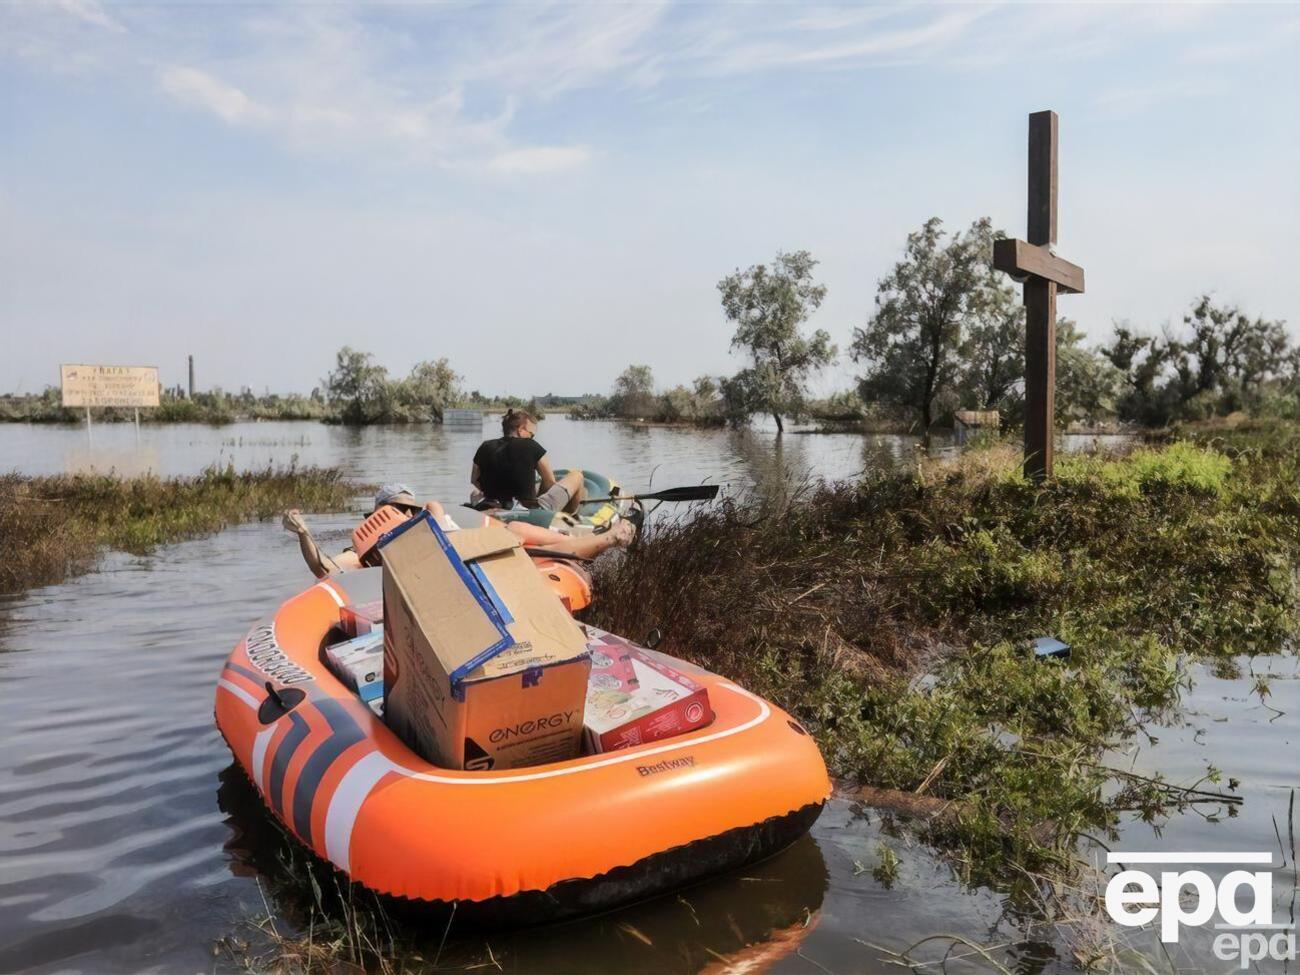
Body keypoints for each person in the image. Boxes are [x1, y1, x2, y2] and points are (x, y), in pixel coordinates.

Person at [283, 482, 632, 580]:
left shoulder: (431, 511)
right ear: (377, 514)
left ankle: (581, 538)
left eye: (409, 508)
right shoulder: (367, 551)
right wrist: (303, 533)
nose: (405, 514)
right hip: (477, 557)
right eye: (398, 509)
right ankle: (605, 538)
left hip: (488, 534)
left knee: (522, 530)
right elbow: (325, 568)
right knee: (524, 548)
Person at [471, 409, 585, 514]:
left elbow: (474, 480)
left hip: (493, 505)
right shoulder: (531, 445)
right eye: (531, 434)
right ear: (520, 430)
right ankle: (570, 516)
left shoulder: (485, 446)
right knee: (577, 475)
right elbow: (550, 482)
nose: (532, 438)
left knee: (475, 493)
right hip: (527, 512)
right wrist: (538, 497)